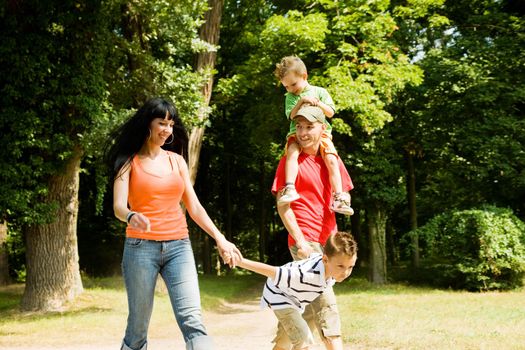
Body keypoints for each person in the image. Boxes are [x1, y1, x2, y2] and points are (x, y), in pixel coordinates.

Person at [105, 97, 242, 350]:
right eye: (161, 122)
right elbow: (118, 207)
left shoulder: (176, 161)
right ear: (148, 123)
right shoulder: (128, 161)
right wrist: (132, 216)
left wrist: (220, 238)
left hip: (178, 246)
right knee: (138, 327)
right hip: (140, 247)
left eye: (170, 123)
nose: (167, 129)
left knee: (193, 320)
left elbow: (195, 207)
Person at [272, 105, 354, 350]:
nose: (303, 132)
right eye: (299, 127)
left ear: (322, 128)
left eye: (309, 126)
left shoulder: (332, 161)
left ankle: (280, 346)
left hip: (328, 241)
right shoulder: (289, 161)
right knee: (326, 301)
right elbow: (283, 206)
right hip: (304, 241)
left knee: (304, 304)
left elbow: (342, 199)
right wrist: (301, 242)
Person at [234, 231, 358, 350]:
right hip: (280, 295)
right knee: (302, 338)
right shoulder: (306, 274)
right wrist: (241, 262)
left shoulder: (329, 268)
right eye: (341, 266)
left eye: (350, 267)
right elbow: (273, 272)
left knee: (288, 340)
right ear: (325, 260)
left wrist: (304, 253)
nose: (345, 273)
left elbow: (313, 256)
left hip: (295, 300)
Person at [274, 56, 353, 215]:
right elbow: (291, 116)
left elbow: (330, 113)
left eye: (293, 84)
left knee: (331, 158)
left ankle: (338, 197)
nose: (290, 89)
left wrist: (318, 103)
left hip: (321, 135)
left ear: (304, 76)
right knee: (292, 152)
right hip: (296, 134)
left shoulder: (320, 91)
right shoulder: (291, 97)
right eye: (286, 86)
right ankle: (290, 187)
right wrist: (301, 101)